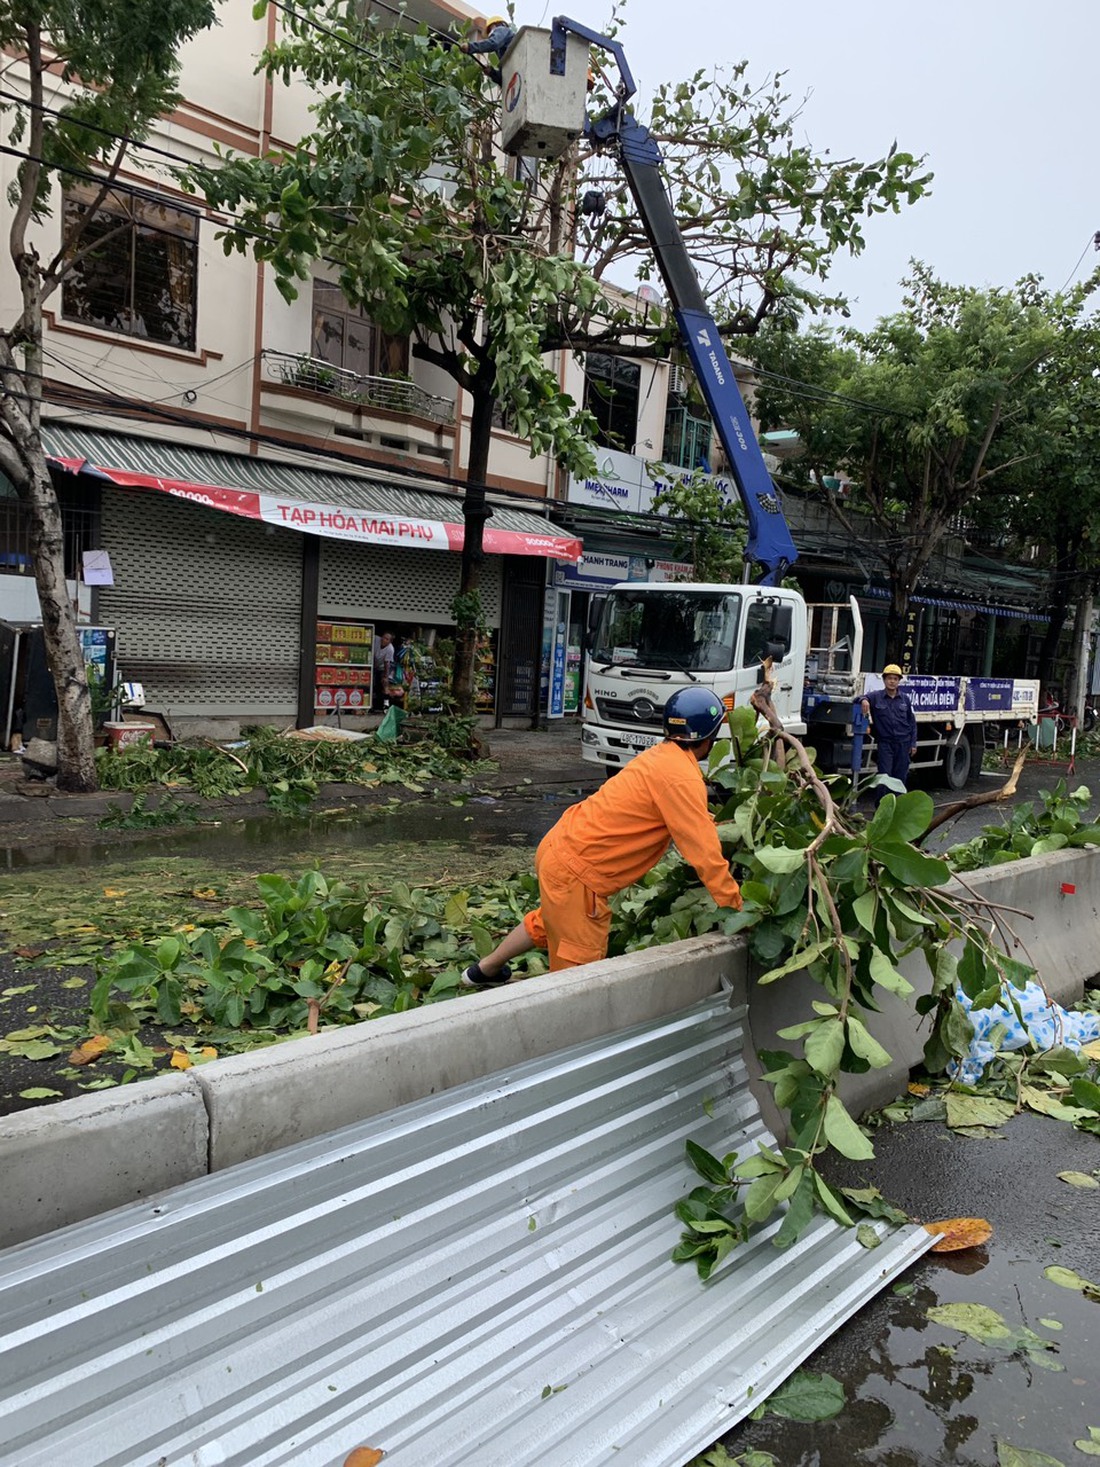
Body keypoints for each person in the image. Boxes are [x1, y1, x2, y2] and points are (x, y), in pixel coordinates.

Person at [462, 686, 743, 987]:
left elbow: (683, 815)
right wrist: (738, 908)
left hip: (559, 848)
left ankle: (483, 971)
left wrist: (720, 823)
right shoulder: (682, 778)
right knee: (578, 985)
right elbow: (705, 855)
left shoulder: (660, 758)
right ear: (710, 738)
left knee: (553, 919)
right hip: (579, 875)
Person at [861, 662, 918, 804]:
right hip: (885, 744)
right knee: (884, 777)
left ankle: (896, 808)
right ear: (884, 680)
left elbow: (912, 723)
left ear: (899, 681)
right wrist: (864, 700)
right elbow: (858, 698)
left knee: (900, 778)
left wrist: (913, 743)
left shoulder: (904, 699)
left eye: (895, 679)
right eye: (889, 678)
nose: (892, 681)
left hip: (903, 743)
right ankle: (880, 808)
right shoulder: (876, 697)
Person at [372, 630, 395, 712]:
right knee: (372, 683)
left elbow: (387, 663)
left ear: (390, 641)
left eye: (387, 639)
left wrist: (385, 676)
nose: (384, 640)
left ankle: (386, 705)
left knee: (384, 684)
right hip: (372, 664)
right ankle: (372, 705)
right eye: (383, 637)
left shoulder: (390, 649)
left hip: (382, 666)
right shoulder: (375, 639)